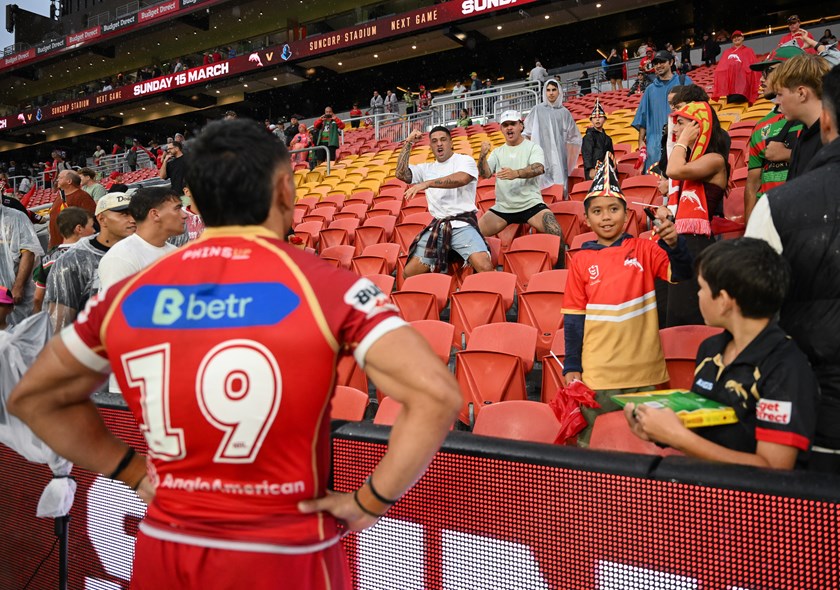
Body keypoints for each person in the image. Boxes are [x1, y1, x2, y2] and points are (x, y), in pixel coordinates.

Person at [8, 119, 461, 589]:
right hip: (285, 554)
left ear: (196, 204)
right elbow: (435, 396)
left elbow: (33, 399)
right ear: (285, 189)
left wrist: (130, 469)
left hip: (168, 549)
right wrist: (368, 502)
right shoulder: (329, 285)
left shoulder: (131, 294)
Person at [625, 238, 817, 470]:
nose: (698, 296)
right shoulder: (710, 349)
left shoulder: (785, 366)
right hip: (704, 493)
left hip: (752, 504)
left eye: (702, 288)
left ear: (724, 301)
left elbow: (774, 470)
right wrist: (658, 430)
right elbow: (702, 426)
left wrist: (678, 438)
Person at [745, 64, 840, 473]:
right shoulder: (801, 142)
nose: (774, 100)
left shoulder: (782, 206)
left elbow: (750, 296)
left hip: (820, 391)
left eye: (778, 92)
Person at [561, 155, 692, 445]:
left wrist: (674, 242)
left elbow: (682, 273)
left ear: (627, 213)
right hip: (598, 374)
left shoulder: (645, 249)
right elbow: (573, 318)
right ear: (586, 219)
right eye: (597, 211)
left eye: (613, 209)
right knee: (594, 446)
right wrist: (572, 364)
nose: (606, 217)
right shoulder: (580, 261)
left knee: (647, 445)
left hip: (644, 371)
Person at [396, 127, 493, 278]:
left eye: (443, 140)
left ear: (451, 143)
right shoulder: (427, 168)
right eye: (434, 141)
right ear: (431, 146)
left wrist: (428, 183)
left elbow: (462, 179)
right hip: (438, 226)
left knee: (485, 266)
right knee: (408, 273)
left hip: (462, 225)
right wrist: (408, 143)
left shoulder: (464, 160)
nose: (439, 144)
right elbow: (401, 173)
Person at [665, 101, 729, 327]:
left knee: (689, 315)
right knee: (673, 314)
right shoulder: (693, 160)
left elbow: (673, 170)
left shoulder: (715, 159)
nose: (674, 130)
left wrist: (681, 142)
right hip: (680, 244)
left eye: (680, 124)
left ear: (697, 127)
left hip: (698, 247)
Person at [44, 192, 135, 331]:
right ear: (102, 219)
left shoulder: (142, 249)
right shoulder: (71, 260)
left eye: (134, 213)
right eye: (124, 214)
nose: (132, 219)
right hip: (94, 345)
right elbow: (59, 319)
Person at [477, 110, 561, 239]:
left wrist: (516, 173)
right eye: (505, 125)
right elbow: (485, 174)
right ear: (501, 129)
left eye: (513, 124)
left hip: (530, 204)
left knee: (555, 230)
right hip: (503, 207)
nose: (509, 128)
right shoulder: (497, 152)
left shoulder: (533, 147)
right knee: (475, 234)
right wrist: (482, 156)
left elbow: (538, 168)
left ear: (521, 126)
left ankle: (562, 260)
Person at [744, 46, 805, 221]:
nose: (762, 79)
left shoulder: (820, 116)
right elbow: (753, 183)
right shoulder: (761, 125)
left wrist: (788, 155)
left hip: (805, 215)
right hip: (770, 218)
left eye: (768, 72)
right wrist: (750, 229)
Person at [98, 187, 186, 290]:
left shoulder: (175, 252)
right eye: (177, 208)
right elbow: (117, 304)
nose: (184, 215)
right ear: (155, 214)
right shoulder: (120, 258)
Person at [771, 53, 831, 180]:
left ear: (801, 93)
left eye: (780, 94)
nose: (777, 101)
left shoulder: (832, 137)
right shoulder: (806, 133)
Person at [632, 50, 692, 171]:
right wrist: (641, 142)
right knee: (655, 182)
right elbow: (643, 117)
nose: (658, 66)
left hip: (680, 140)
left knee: (679, 180)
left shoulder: (684, 82)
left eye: (662, 62)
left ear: (671, 62)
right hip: (654, 146)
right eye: (656, 63)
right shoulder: (649, 90)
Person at [32, 207, 95, 314]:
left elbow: (38, 298)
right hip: (87, 318)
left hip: (57, 320)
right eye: (92, 226)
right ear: (79, 229)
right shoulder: (92, 256)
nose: (94, 231)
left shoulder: (48, 259)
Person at [523, 79, 582, 191]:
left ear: (559, 91)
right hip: (540, 158)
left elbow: (574, 137)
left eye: (554, 90)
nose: (551, 93)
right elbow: (526, 132)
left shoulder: (564, 113)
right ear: (544, 92)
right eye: (548, 90)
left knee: (559, 188)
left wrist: (566, 153)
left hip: (559, 158)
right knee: (541, 190)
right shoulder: (537, 110)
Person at [0, 205, 43, 327]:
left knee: (16, 332)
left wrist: (18, 286)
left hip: (11, 288)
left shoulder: (17, 218)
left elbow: (29, 252)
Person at [48, 169, 96, 249]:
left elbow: (90, 221)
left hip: (74, 248)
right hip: (56, 246)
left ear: (69, 181)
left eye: (60, 178)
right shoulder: (59, 197)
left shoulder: (82, 197)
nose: (57, 180)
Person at [712, 30, 760, 104]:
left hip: (744, 85)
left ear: (742, 38)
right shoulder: (727, 52)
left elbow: (754, 67)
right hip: (731, 87)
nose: (736, 38)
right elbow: (721, 69)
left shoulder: (749, 51)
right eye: (734, 37)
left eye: (738, 36)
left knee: (743, 103)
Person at [581, 100, 614, 180]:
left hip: (606, 170)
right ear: (591, 120)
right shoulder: (588, 137)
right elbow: (587, 154)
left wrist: (613, 170)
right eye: (595, 118)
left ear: (605, 119)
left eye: (600, 117)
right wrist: (590, 169)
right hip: (594, 170)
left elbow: (611, 155)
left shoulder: (608, 139)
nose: (597, 120)